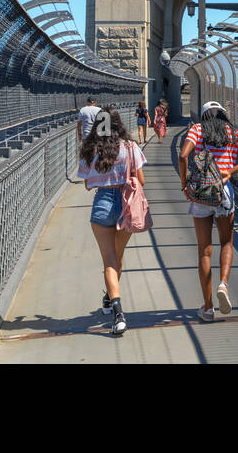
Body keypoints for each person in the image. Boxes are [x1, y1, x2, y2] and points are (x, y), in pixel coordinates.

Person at [178, 102, 238, 322]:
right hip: (223, 191)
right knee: (227, 242)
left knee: (204, 251)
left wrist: (185, 184)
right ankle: (223, 284)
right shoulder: (234, 133)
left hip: (201, 191)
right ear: (224, 114)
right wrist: (231, 171)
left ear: (204, 115)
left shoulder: (197, 130)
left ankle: (207, 308)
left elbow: (183, 155)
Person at [77, 106, 146, 336]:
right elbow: (141, 180)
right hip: (126, 204)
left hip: (103, 204)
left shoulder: (90, 150)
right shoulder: (130, 147)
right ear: (118, 124)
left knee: (109, 260)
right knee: (118, 256)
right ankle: (111, 299)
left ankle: (115, 308)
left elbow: (88, 184)